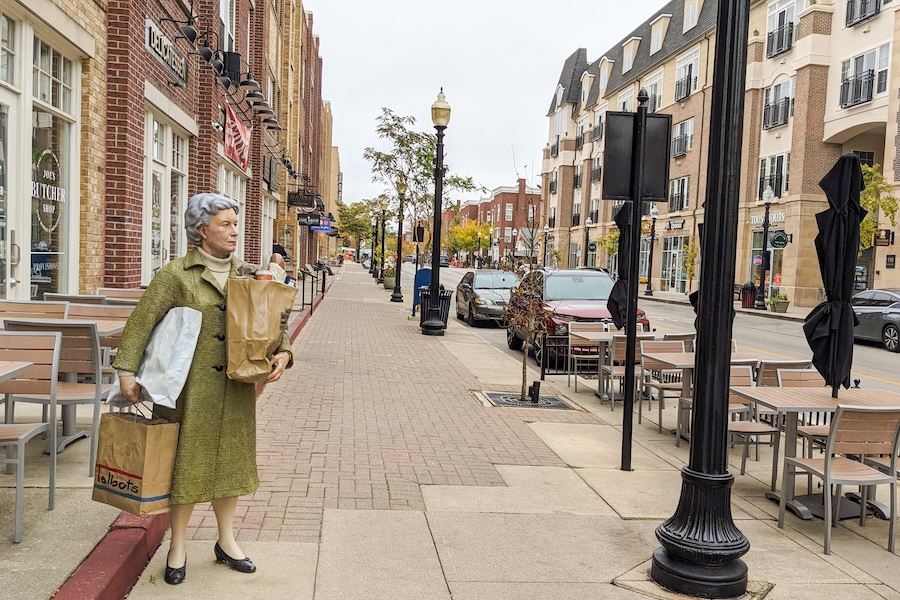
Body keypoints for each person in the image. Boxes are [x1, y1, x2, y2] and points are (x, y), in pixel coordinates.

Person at [113, 193, 293, 586]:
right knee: (186, 467)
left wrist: (283, 352)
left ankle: (226, 541)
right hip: (189, 390)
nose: (234, 231)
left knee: (230, 465)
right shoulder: (177, 275)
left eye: (235, 223)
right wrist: (126, 370)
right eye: (225, 224)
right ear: (201, 229)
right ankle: (177, 546)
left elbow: (271, 323)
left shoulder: (249, 275)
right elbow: (142, 322)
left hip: (236, 387)